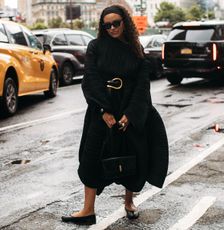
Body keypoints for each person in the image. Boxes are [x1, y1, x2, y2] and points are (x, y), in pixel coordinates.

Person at [62, 4, 168, 225]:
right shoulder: (95, 46)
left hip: (130, 110)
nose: (111, 28)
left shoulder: (135, 48)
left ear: (125, 23)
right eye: (107, 24)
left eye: (116, 23)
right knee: (90, 158)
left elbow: (142, 84)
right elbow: (90, 79)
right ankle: (88, 210)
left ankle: (129, 203)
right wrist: (103, 110)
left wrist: (130, 114)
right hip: (102, 111)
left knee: (134, 157)